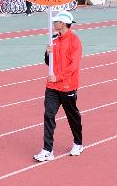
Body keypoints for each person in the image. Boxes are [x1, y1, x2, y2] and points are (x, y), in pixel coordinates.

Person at [33, 10, 83, 162]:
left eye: (56, 21)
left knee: (72, 116)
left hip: (67, 86)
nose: (54, 24)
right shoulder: (53, 39)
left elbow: (73, 66)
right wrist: (47, 53)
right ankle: (47, 150)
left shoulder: (75, 41)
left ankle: (78, 143)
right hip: (52, 86)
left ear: (63, 23)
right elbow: (49, 63)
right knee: (49, 115)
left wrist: (58, 77)